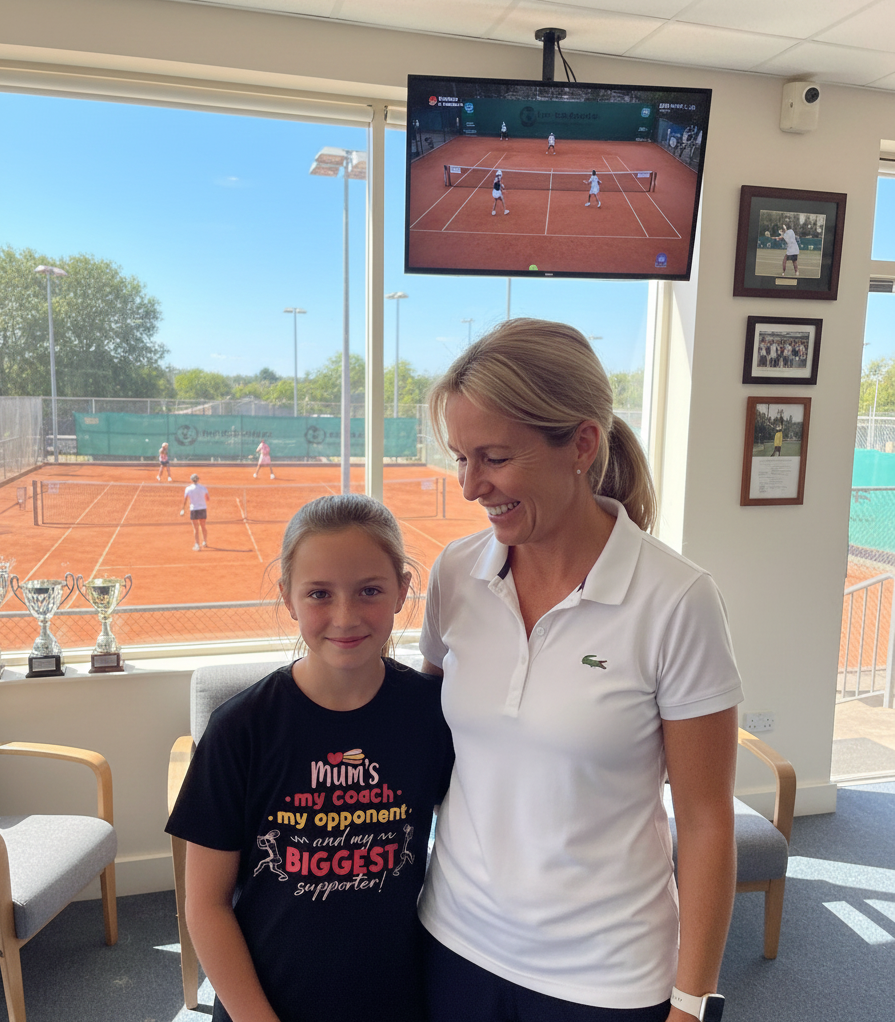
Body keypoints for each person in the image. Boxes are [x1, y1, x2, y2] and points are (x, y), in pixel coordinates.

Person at [419, 318, 743, 1022]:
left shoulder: (676, 600)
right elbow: (428, 737)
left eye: (494, 458)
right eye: (460, 457)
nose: (471, 486)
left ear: (581, 445)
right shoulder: (454, 575)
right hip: (453, 943)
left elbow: (705, 817)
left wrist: (692, 1003)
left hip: (606, 977)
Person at [166, 494, 454, 1022]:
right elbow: (205, 905)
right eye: (320, 593)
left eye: (369, 590)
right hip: (268, 1003)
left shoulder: (433, 716)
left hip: (398, 999)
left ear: (402, 592)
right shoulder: (240, 730)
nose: (345, 617)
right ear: (289, 598)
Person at [181, 472, 210, 551]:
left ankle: (197, 544)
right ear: (198, 480)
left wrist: (183, 509)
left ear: (191, 480)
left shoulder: (188, 488)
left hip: (194, 510)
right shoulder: (203, 488)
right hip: (202, 509)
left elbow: (185, 500)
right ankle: (204, 542)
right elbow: (208, 499)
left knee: (196, 528)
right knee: (203, 526)